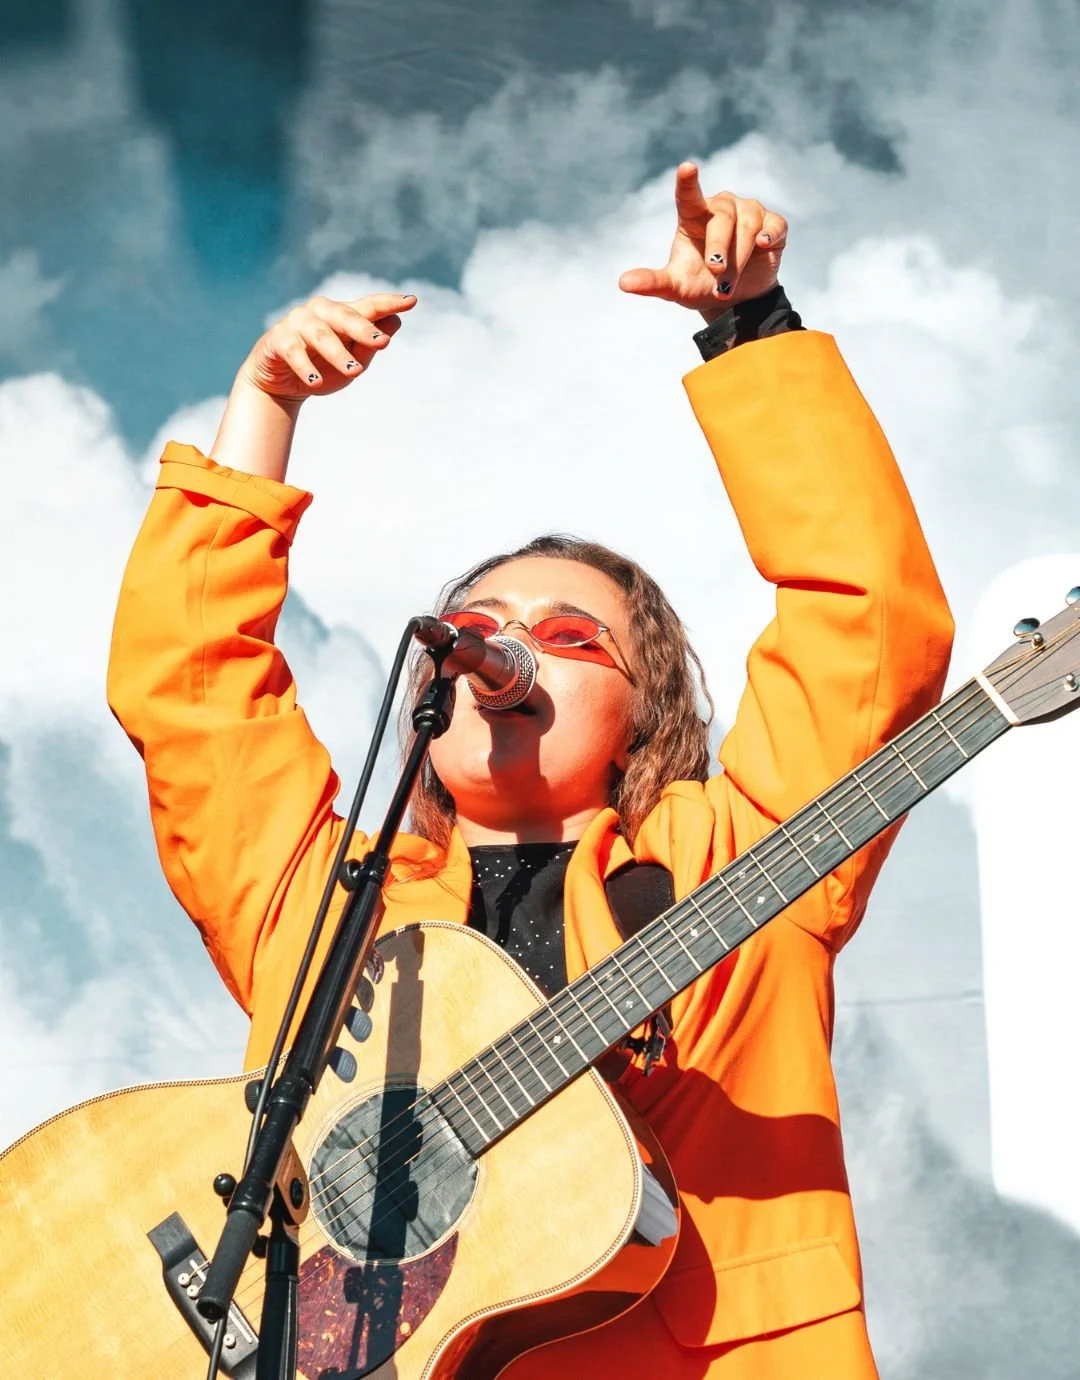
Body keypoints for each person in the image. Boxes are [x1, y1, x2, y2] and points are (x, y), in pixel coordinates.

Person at [107, 163, 953, 1378]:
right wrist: (265, 405)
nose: (505, 647)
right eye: (477, 627)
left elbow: (869, 624)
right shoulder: (324, 910)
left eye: (568, 635)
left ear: (643, 712)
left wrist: (750, 328)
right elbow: (189, 696)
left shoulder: (743, 855)